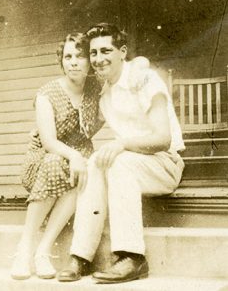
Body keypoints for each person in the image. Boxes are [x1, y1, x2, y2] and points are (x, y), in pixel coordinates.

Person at [57, 23, 185, 284]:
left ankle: (132, 257)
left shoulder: (145, 79)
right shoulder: (105, 92)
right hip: (133, 165)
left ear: (122, 51)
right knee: (95, 162)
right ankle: (81, 256)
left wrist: (123, 144)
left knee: (118, 163)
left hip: (165, 164)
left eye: (106, 51)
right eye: (93, 53)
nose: (98, 59)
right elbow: (85, 128)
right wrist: (45, 133)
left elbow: (163, 138)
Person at [10, 32, 103, 280]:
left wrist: (79, 154)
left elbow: (102, 118)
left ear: (89, 61)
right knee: (56, 163)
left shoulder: (96, 89)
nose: (73, 62)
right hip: (43, 160)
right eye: (67, 56)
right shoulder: (47, 94)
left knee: (82, 169)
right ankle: (24, 249)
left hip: (77, 159)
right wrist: (74, 155)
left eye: (80, 56)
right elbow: (49, 143)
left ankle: (42, 251)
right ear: (61, 61)